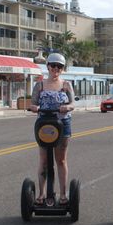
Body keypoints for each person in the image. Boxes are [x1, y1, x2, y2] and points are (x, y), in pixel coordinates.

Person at [29, 53, 75, 205]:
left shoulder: (66, 85)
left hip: (62, 124)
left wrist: (67, 107)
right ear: (48, 66)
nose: (56, 68)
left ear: (63, 68)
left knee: (61, 160)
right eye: (53, 65)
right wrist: (34, 107)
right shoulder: (40, 85)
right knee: (43, 160)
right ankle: (41, 194)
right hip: (44, 124)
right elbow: (32, 103)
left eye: (59, 66)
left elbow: (73, 104)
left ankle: (63, 195)